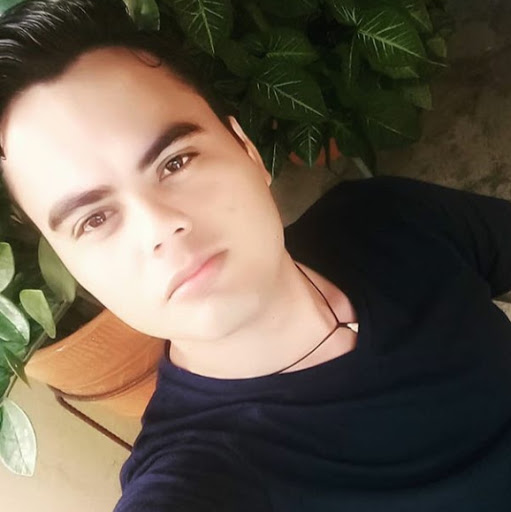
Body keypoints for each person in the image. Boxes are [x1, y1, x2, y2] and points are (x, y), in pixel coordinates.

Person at [0, 0, 510, 510]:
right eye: (94, 220)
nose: (160, 226)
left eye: (175, 161)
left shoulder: (387, 218)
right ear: (71, 266)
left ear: (247, 150)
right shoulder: (196, 482)